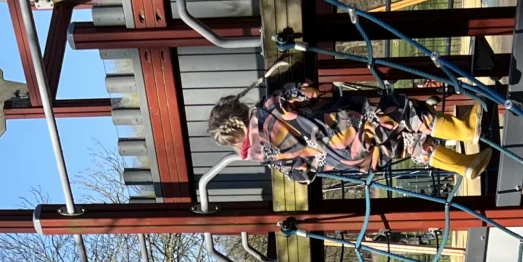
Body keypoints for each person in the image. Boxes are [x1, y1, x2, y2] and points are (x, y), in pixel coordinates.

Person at [208, 82, 488, 183]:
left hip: (350, 161)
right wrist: (305, 92)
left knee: (406, 143)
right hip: (348, 129)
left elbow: (303, 177)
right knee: (405, 112)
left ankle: (464, 165)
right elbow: (304, 91)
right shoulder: (269, 109)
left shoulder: (268, 158)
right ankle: (465, 131)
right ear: (239, 113)